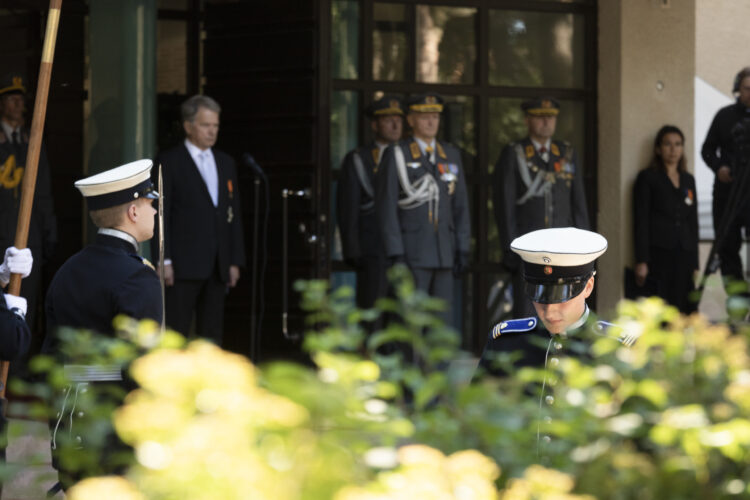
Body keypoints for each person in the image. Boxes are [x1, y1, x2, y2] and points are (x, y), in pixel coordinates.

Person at [42, 159, 162, 491]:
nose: (155, 213)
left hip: (68, 422)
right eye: (151, 205)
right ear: (134, 212)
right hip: (116, 430)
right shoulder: (138, 275)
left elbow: (51, 356)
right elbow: (143, 366)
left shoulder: (68, 269)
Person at [155, 95, 245, 344]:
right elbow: (162, 213)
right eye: (206, 125)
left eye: (215, 126)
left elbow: (232, 213)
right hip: (182, 264)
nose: (212, 131)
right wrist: (165, 259)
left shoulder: (225, 162)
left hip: (218, 264)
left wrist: (234, 259)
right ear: (188, 126)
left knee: (212, 334)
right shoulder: (169, 161)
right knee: (176, 332)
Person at [375, 93, 471, 324]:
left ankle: (439, 363)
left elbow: (460, 207)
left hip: (444, 253)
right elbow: (386, 206)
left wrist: (462, 247)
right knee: (410, 322)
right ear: (411, 120)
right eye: (424, 116)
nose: (431, 122)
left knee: (442, 323)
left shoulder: (451, 155)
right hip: (411, 252)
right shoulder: (398, 154)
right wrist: (395, 252)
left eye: (435, 116)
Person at [492, 98, 589, 319]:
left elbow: (578, 204)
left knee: (565, 310)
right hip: (528, 249)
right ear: (528, 120)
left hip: (565, 250)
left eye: (551, 117)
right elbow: (504, 204)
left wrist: (585, 246)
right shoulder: (515, 153)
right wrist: (509, 246)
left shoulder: (566, 153)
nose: (546, 122)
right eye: (540, 116)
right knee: (529, 311)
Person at [477, 227, 609, 377]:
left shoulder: (613, 348)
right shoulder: (505, 342)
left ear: (588, 287)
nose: (549, 311)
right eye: (541, 297)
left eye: (561, 297)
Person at [0, 72, 57, 338]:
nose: (17, 105)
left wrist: (48, 233)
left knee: (26, 302)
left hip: (28, 237)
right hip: (1, 233)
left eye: (21, 100)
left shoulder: (32, 142)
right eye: (12, 99)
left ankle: (19, 370)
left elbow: (43, 192)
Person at [337, 95, 404, 312]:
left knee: (401, 315)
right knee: (372, 310)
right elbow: (348, 208)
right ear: (374, 125)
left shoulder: (409, 155)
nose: (395, 125)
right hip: (373, 248)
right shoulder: (358, 159)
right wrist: (352, 249)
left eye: (399, 120)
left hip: (405, 247)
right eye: (388, 120)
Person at [633, 125, 698, 313]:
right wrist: (642, 260)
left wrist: (695, 262)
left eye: (678, 144)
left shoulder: (688, 180)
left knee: (685, 305)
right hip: (659, 252)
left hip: (684, 252)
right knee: (662, 303)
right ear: (658, 149)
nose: (673, 149)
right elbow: (641, 220)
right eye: (668, 144)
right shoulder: (648, 178)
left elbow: (692, 222)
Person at [701, 67, 750, 291]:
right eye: (747, 89)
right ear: (737, 90)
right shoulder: (725, 116)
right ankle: (738, 306)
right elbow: (707, 150)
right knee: (727, 250)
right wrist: (719, 167)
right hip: (727, 195)